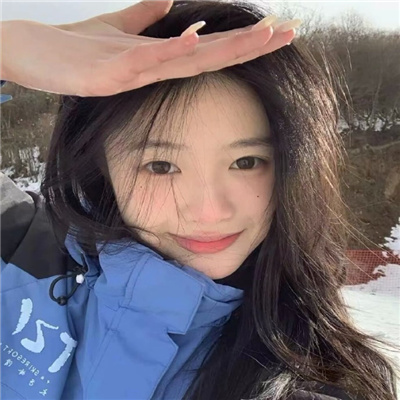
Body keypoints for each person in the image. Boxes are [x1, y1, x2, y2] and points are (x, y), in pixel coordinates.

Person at [0, 1, 399, 399]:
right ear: (100, 165)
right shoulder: (18, 247)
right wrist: (7, 50)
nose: (210, 212)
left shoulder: (310, 384)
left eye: (247, 162)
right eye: (160, 166)